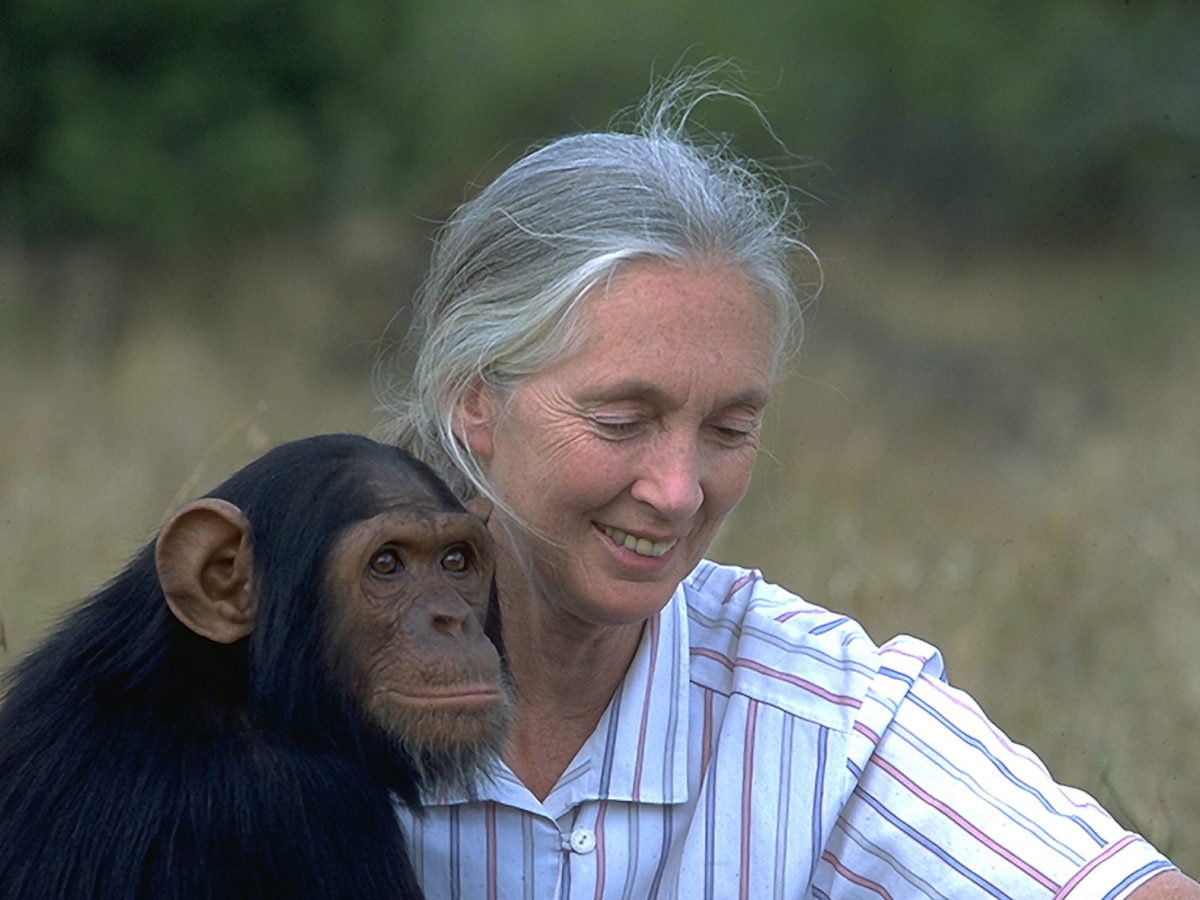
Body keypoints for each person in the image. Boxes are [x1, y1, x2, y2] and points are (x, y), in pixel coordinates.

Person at [377, 67, 1198, 898]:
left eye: (730, 430)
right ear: (475, 401)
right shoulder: (297, 690)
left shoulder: (821, 713)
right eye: (622, 420)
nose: (679, 492)